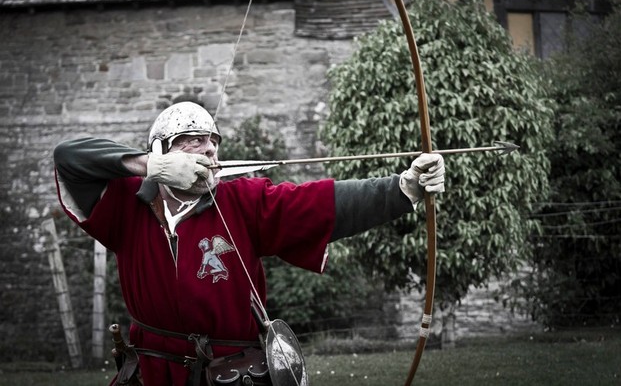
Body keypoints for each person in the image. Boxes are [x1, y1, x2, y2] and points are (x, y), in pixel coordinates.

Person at [53, 101, 445, 386]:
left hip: (229, 372)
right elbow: (68, 157)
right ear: (160, 152)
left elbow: (322, 203)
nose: (210, 149)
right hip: (150, 373)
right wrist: (149, 168)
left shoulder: (244, 201)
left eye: (213, 142)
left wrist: (402, 188)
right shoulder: (127, 204)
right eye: (192, 141)